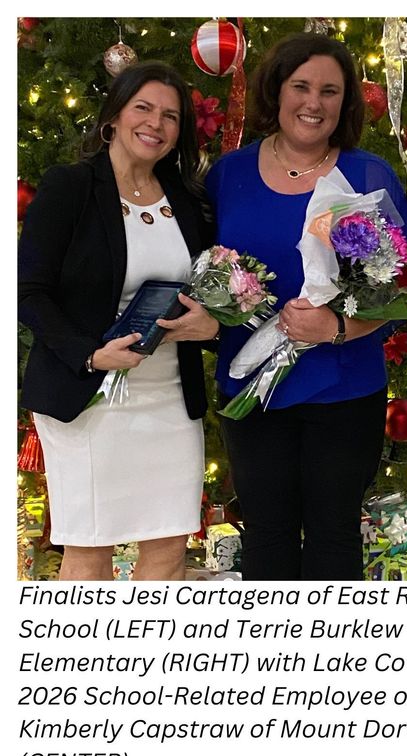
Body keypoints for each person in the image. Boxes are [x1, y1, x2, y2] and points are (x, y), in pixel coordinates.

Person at [205, 33, 407, 580]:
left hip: (343, 389)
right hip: (251, 386)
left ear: (344, 103)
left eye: (329, 90)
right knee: (266, 532)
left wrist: (338, 327)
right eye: (300, 86)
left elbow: (398, 294)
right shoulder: (229, 174)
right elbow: (200, 271)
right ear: (278, 91)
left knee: (334, 531)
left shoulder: (368, 177)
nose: (312, 102)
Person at [18, 61, 220, 581]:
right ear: (114, 116)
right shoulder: (71, 187)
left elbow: (209, 288)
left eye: (171, 116)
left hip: (172, 398)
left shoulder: (188, 200)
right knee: (89, 550)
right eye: (143, 108)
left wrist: (211, 326)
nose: (156, 123)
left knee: (169, 548)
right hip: (89, 395)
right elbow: (27, 290)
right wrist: (90, 354)